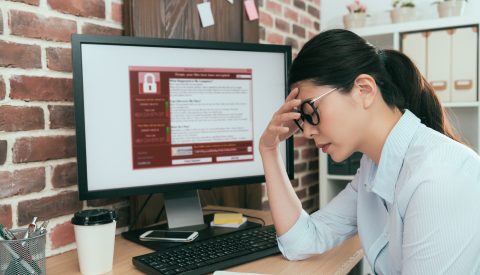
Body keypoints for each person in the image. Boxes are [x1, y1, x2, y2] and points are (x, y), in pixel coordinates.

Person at [259, 29, 480, 274]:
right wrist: (269, 149)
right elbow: (302, 241)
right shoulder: (373, 167)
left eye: (310, 111)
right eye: (303, 119)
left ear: (364, 90)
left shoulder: (440, 179)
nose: (307, 132)